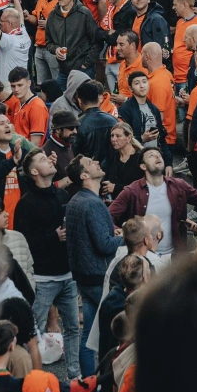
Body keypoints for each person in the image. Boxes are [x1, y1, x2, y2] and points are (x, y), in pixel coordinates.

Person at [14, 148, 79, 378]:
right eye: (43, 160)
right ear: (33, 171)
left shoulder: (63, 195)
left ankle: (75, 377)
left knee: (73, 329)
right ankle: (34, 379)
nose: (50, 160)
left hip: (67, 275)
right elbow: (24, 240)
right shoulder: (26, 204)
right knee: (34, 331)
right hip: (43, 278)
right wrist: (53, 237)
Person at [64, 154, 123, 376]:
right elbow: (105, 245)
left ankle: (88, 383)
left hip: (83, 277)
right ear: (84, 175)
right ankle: (109, 382)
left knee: (88, 336)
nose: (97, 162)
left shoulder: (76, 200)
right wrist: (125, 235)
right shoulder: (92, 203)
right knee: (116, 332)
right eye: (91, 163)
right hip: (99, 278)